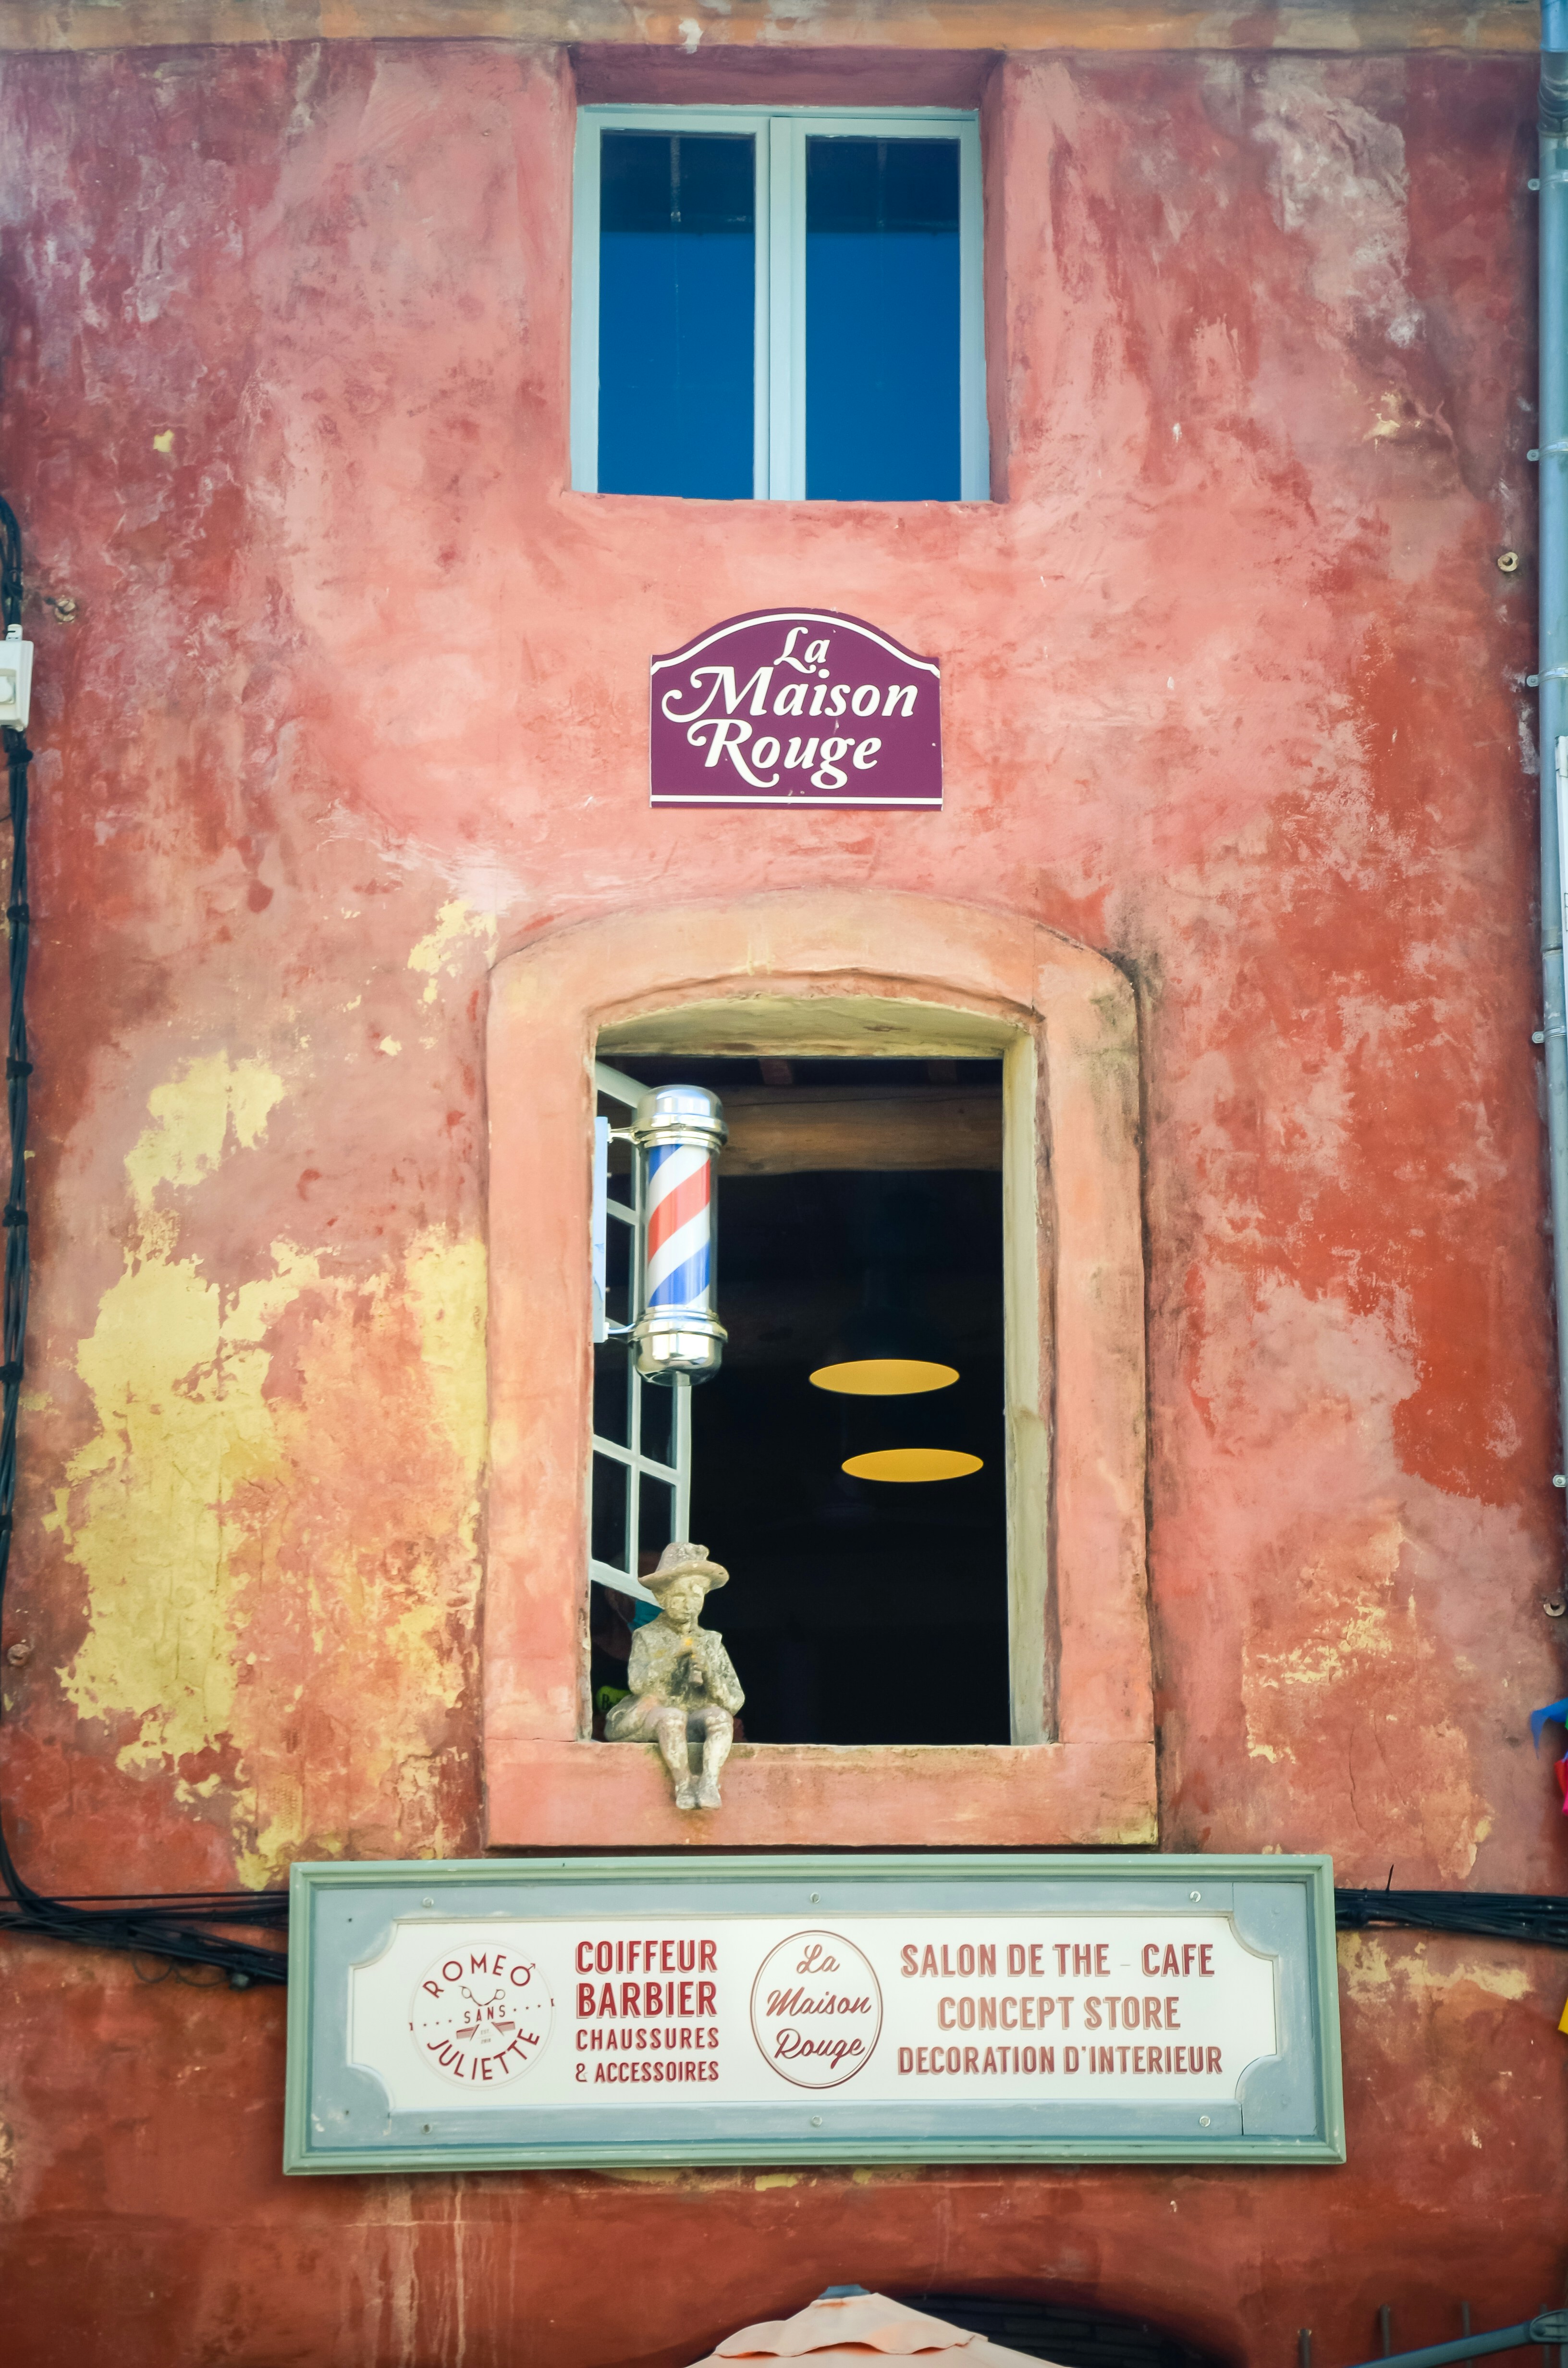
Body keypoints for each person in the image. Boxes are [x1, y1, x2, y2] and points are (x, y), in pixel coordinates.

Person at [603, 1541, 744, 1810]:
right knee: (671, 1717)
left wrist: (710, 1675)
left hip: (695, 1716)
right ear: (663, 1599)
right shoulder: (647, 1636)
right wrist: (672, 1656)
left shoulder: (711, 1642)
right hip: (657, 1714)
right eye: (680, 1596)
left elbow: (734, 1701)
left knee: (719, 1718)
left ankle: (709, 1782)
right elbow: (639, 1683)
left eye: (697, 1596)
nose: (690, 1604)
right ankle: (683, 1783)